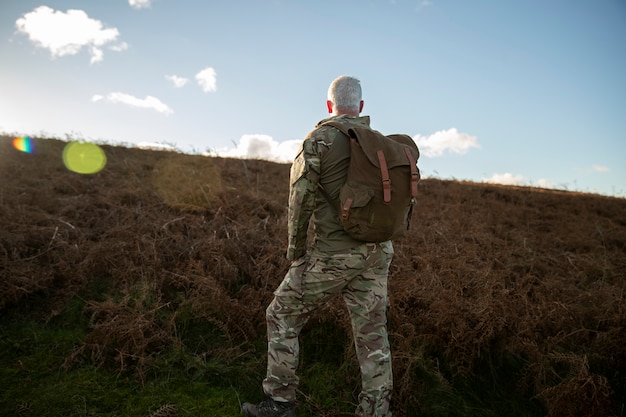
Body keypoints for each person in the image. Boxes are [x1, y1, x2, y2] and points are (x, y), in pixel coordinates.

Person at [242, 75, 395, 417]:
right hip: (378, 253)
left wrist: (295, 252)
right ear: (361, 107)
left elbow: (300, 201)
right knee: (372, 333)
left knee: (281, 314)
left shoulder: (320, 139)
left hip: (334, 256)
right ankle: (376, 411)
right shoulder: (381, 144)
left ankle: (279, 404)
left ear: (329, 106)